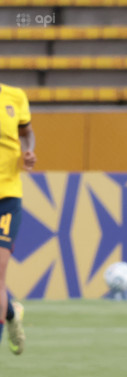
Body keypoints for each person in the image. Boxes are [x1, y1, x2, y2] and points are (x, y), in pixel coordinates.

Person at [0, 83, 33, 356]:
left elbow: (27, 132)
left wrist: (28, 151)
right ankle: (11, 313)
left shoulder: (14, 96)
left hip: (6, 197)